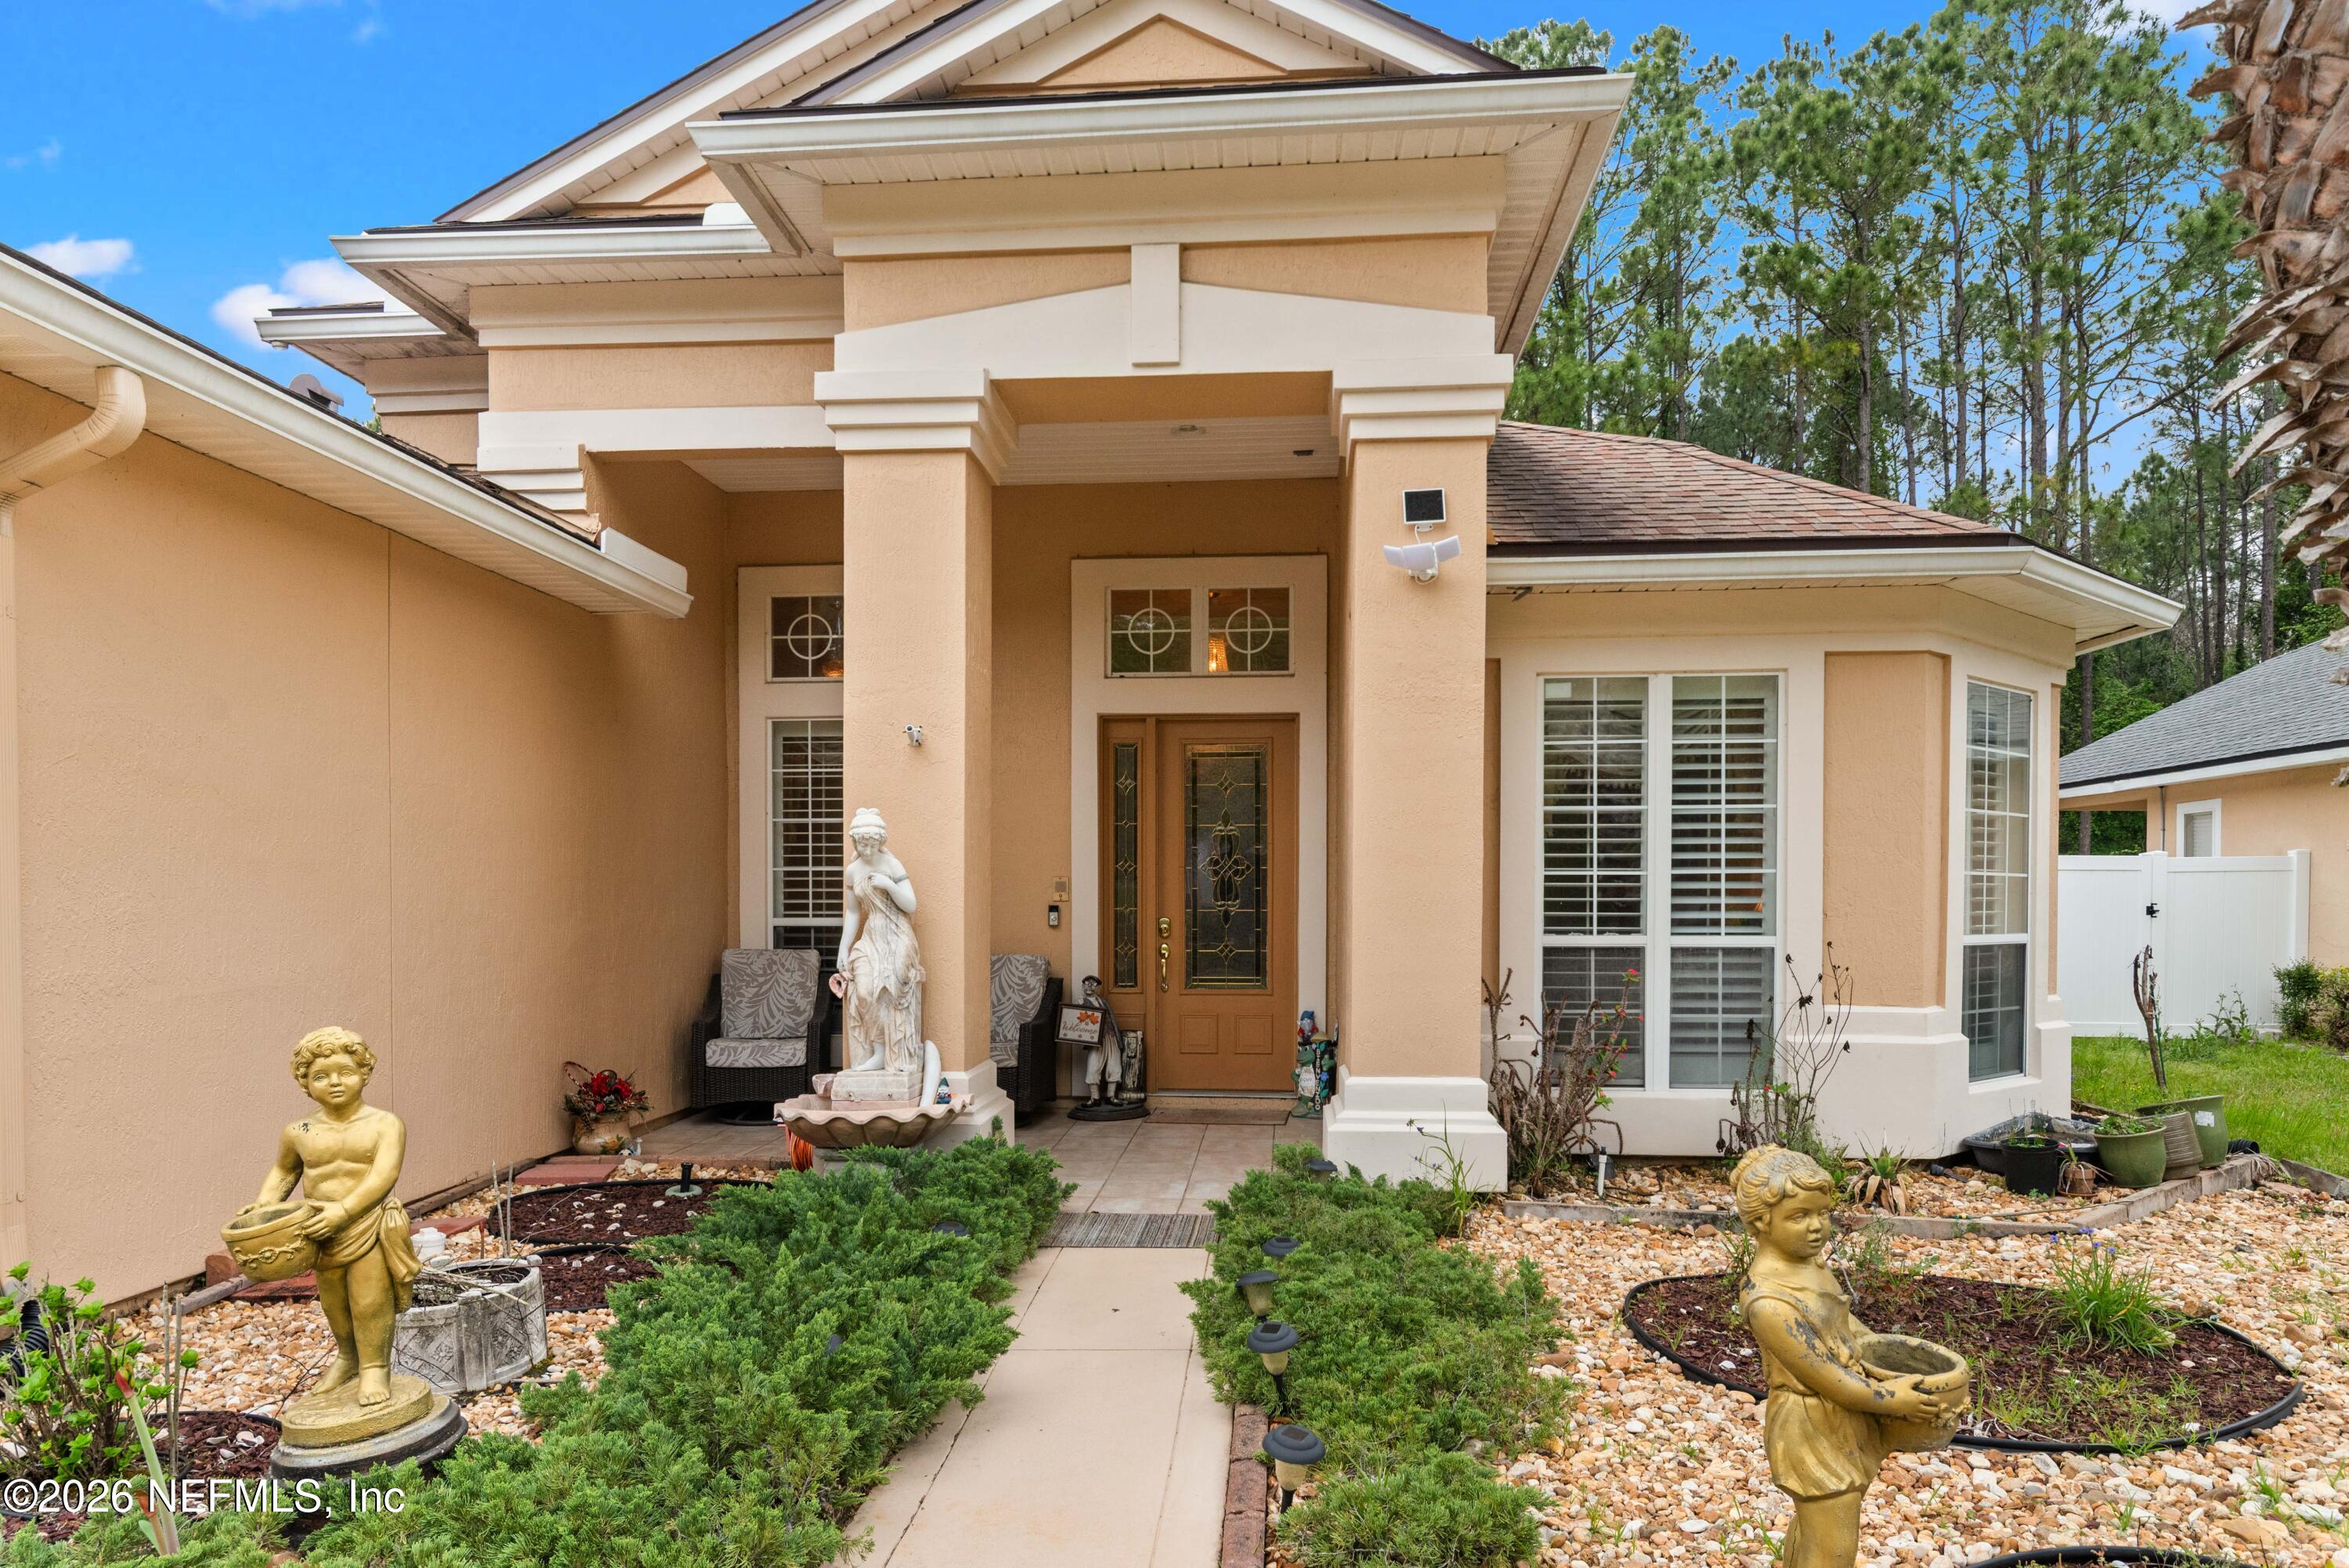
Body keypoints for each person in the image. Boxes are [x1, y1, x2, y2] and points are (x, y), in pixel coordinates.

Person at [1731, 1145, 1962, 1568]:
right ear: (1761, 1222)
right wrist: (1894, 1401)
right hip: (1811, 1424)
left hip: (1840, 1415)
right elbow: (1827, 1377)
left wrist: (1884, 1356)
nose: (1817, 1227)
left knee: (1814, 1531)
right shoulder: (1768, 1302)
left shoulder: (1809, 1264)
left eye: (1822, 1213)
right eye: (1799, 1217)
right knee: (1834, 1547)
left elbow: (1844, 1325)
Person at [244, 1027, 419, 1408]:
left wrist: (344, 1211)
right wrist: (262, 1207)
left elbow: (384, 1176)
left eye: (345, 1072)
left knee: (369, 1299)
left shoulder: (384, 1124)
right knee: (334, 1302)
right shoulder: (299, 1131)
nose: (334, 1083)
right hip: (320, 1230)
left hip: (365, 1224)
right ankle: (347, 1356)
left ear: (365, 1073)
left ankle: (374, 1366)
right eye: (320, 1076)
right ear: (305, 1083)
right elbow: (283, 1173)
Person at [829, 807, 943, 1104]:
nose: (866, 850)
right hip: (872, 937)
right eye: (860, 845)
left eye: (871, 844)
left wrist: (890, 885)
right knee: (864, 990)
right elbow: (853, 912)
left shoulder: (892, 864)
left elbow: (911, 905)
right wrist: (844, 947)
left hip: (898, 936)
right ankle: (879, 1053)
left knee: (891, 988)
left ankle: (895, 1054)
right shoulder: (853, 871)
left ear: (880, 842)